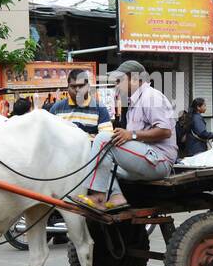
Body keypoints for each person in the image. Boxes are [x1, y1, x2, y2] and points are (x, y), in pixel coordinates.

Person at [76, 61, 176, 211]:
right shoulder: (133, 103)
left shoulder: (150, 96)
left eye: (119, 81)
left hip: (160, 160)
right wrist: (127, 135)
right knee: (100, 160)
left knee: (103, 139)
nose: (116, 85)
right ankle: (117, 196)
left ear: (135, 79)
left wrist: (131, 135)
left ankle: (98, 197)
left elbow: (165, 131)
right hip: (147, 158)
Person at [48, 67, 113, 140]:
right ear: (67, 88)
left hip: (91, 151)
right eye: (73, 86)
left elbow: (106, 139)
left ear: (88, 86)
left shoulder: (100, 109)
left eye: (81, 86)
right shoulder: (57, 109)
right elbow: (49, 136)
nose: (77, 90)